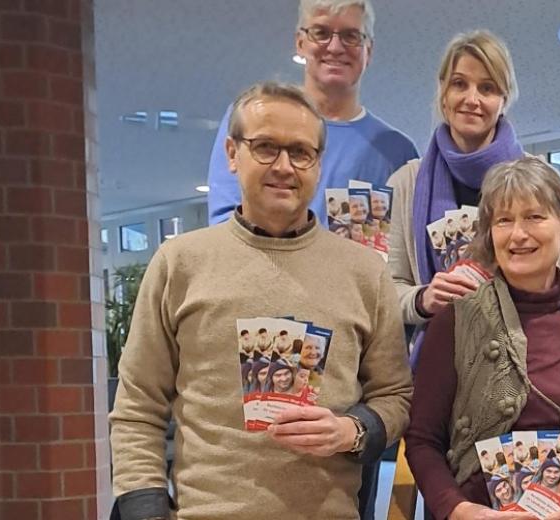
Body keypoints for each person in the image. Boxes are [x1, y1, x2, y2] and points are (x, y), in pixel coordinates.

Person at [110, 81, 413, 520]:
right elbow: (138, 407)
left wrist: (352, 430)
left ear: (318, 163)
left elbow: (396, 396)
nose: (284, 166)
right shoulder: (179, 263)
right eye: (266, 147)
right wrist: (145, 508)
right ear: (233, 154)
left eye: (301, 152)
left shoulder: (365, 272)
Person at [406, 157, 560, 520]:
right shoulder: (454, 322)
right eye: (503, 220)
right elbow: (423, 441)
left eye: (534, 217)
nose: (518, 234)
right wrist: (459, 510)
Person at [387, 30, 540, 359]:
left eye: (487, 87)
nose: (472, 99)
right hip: (439, 360)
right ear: (443, 93)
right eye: (459, 84)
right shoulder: (407, 182)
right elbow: (391, 285)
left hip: (523, 357)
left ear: (504, 99)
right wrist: (423, 299)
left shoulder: (539, 178)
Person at [206, 0, 418, 226]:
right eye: (321, 32)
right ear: (300, 42)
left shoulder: (398, 152)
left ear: (369, 50)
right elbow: (227, 227)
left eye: (351, 36)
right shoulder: (251, 119)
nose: (336, 47)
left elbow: (403, 245)